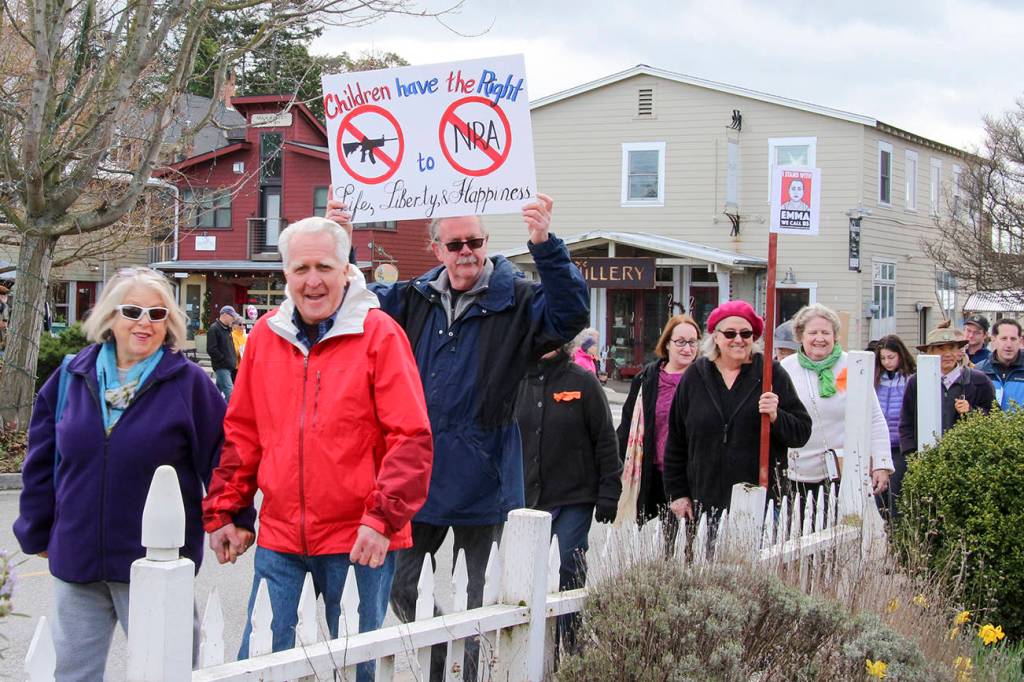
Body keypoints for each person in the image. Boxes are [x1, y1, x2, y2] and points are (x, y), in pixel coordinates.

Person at [326, 192, 589, 682]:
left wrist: (545, 244)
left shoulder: (519, 299)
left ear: (487, 243)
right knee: (402, 589)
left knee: (481, 599)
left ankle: (465, 675)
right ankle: (437, 659)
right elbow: (351, 302)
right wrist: (340, 240)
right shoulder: (413, 299)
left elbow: (571, 315)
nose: (466, 251)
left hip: (486, 478)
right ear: (437, 249)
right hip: (416, 477)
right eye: (456, 244)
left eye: (475, 242)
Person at [202, 217, 433, 682]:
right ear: (284, 274)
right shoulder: (266, 335)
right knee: (261, 664)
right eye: (300, 268)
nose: (312, 280)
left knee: (354, 669)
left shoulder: (380, 334)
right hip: (282, 537)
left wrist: (382, 519)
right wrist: (226, 509)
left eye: (324, 266)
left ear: (346, 270)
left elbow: (410, 438)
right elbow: (243, 431)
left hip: (360, 540)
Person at [13, 267, 230, 681]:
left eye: (157, 313)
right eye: (132, 311)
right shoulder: (70, 376)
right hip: (79, 558)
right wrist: (38, 530)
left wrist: (229, 519)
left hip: (157, 563)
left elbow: (223, 460)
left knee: (168, 671)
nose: (144, 323)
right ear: (110, 316)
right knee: (73, 675)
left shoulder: (188, 384)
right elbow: (42, 462)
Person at [515, 342, 620, 651]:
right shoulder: (516, 379)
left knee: (565, 563)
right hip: (528, 499)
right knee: (530, 574)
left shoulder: (582, 381)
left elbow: (605, 437)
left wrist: (609, 491)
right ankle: (534, 647)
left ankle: (570, 641)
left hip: (574, 495)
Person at [663, 301, 811, 521]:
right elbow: (676, 440)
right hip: (705, 502)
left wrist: (777, 415)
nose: (738, 340)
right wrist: (678, 493)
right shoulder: (695, 376)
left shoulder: (772, 375)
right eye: (730, 333)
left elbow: (801, 432)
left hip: (760, 502)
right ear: (716, 336)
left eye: (746, 333)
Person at [780, 304, 893, 511]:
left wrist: (881, 463)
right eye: (813, 332)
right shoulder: (786, 368)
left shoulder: (852, 366)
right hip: (796, 472)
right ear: (800, 336)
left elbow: (874, 418)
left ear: (835, 336)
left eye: (826, 332)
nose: (819, 338)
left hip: (844, 471)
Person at [616, 314, 702, 531]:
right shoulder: (648, 379)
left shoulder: (704, 379)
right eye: (680, 342)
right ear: (667, 344)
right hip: (657, 472)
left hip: (694, 474)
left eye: (692, 342)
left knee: (694, 539)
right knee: (668, 538)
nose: (687, 348)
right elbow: (627, 424)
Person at [899, 322, 996, 455]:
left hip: (968, 461)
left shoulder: (979, 380)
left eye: (952, 348)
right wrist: (912, 456)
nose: (948, 354)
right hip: (926, 459)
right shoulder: (916, 381)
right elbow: (906, 423)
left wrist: (971, 412)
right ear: (930, 352)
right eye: (941, 348)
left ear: (959, 351)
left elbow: (994, 418)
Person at [873, 334, 916, 518]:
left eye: (891, 357)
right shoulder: (876, 380)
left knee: (895, 490)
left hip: (900, 444)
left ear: (900, 355)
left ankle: (896, 527)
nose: (887, 362)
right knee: (879, 493)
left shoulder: (910, 378)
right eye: (883, 358)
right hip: (882, 444)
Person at [975, 318, 1024, 411]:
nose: (1009, 344)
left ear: (1020, 341)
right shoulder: (980, 371)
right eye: (1004, 338)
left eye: (1013, 339)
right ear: (993, 339)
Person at [206, 305, 239, 401]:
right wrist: (223, 360)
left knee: (215, 394)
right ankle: (232, 414)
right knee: (231, 394)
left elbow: (229, 348)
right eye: (232, 316)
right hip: (222, 367)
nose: (233, 318)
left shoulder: (227, 329)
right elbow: (211, 349)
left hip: (228, 366)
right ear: (224, 314)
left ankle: (210, 410)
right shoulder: (214, 328)